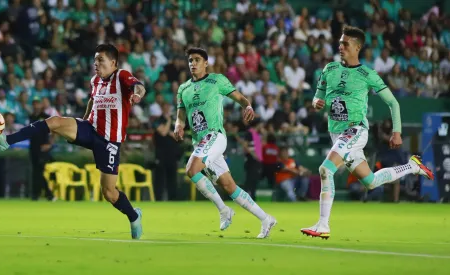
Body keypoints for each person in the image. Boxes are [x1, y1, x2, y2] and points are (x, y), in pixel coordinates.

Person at [0, 44, 145, 239]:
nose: (96, 64)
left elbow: (139, 85)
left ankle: (133, 215)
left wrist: (137, 94)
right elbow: (92, 100)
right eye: (95, 60)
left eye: (101, 60)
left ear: (113, 62)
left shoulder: (121, 76)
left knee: (109, 192)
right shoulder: (95, 80)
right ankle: (6, 140)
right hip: (90, 129)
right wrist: (84, 119)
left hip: (109, 141)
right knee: (53, 121)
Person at [301, 26, 434, 239]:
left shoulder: (368, 75)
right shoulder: (329, 69)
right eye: (340, 42)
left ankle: (323, 225)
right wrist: (316, 102)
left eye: (345, 43)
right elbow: (318, 96)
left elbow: (393, 103)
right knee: (370, 181)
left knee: (326, 169)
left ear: (357, 47)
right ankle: (412, 166)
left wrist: (397, 131)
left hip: (355, 130)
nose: (341, 46)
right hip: (336, 133)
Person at [174, 47, 277, 239]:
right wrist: (178, 126)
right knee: (230, 187)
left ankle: (223, 210)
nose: (193, 64)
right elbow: (180, 115)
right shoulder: (183, 89)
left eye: (197, 60)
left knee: (191, 169)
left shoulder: (217, 80)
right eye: (190, 60)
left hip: (215, 136)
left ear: (206, 63)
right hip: (200, 142)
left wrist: (247, 105)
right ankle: (266, 218)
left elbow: (239, 97)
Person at [29, 97, 55, 201]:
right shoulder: (31, 117)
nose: (36, 106)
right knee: (36, 171)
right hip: (33, 147)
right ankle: (40, 194)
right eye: (34, 104)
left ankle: (44, 194)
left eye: (37, 103)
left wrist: (49, 144)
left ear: (41, 105)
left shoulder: (46, 117)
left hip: (43, 147)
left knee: (39, 171)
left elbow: (55, 131)